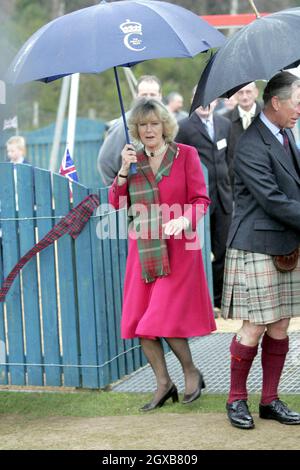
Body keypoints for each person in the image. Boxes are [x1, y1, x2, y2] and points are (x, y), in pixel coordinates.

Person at [109, 98, 216, 411]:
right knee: (142, 322)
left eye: (154, 124)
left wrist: (184, 220)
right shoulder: (134, 159)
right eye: (142, 125)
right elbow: (117, 204)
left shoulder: (186, 155)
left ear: (164, 126)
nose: (148, 130)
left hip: (180, 250)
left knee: (161, 318)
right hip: (143, 251)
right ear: (136, 129)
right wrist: (124, 170)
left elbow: (201, 200)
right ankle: (163, 383)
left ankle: (190, 371)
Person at [222, 71, 300, 429]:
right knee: (253, 326)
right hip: (256, 243)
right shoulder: (252, 143)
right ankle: (236, 399)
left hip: (285, 242)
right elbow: (271, 199)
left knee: (281, 324)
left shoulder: (285, 135)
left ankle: (269, 401)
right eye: (296, 104)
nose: (299, 110)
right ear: (277, 103)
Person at [176, 96, 232, 311]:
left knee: (222, 249)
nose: (205, 103)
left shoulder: (224, 124)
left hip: (224, 197)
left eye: (209, 99)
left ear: (216, 101)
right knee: (195, 251)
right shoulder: (184, 127)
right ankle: (198, 300)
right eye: (200, 99)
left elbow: (231, 158)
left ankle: (218, 300)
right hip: (197, 200)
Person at [97, 75, 162, 186]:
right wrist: (117, 190)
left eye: (152, 94)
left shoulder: (167, 122)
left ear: (160, 96)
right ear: (136, 96)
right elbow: (105, 162)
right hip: (136, 194)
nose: (148, 98)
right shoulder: (124, 125)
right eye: (144, 95)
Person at [224, 82, 261, 185]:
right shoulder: (224, 120)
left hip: (265, 180)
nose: (245, 97)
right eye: (240, 93)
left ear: (256, 93)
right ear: (235, 95)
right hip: (236, 183)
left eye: (248, 92)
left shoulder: (268, 116)